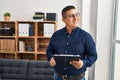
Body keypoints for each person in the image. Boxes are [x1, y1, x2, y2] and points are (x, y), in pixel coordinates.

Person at [46, 5, 97, 80]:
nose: (76, 18)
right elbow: (49, 51)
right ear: (63, 19)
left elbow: (93, 56)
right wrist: (50, 58)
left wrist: (83, 63)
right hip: (58, 77)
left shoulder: (86, 36)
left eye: (77, 15)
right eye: (71, 16)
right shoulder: (56, 35)